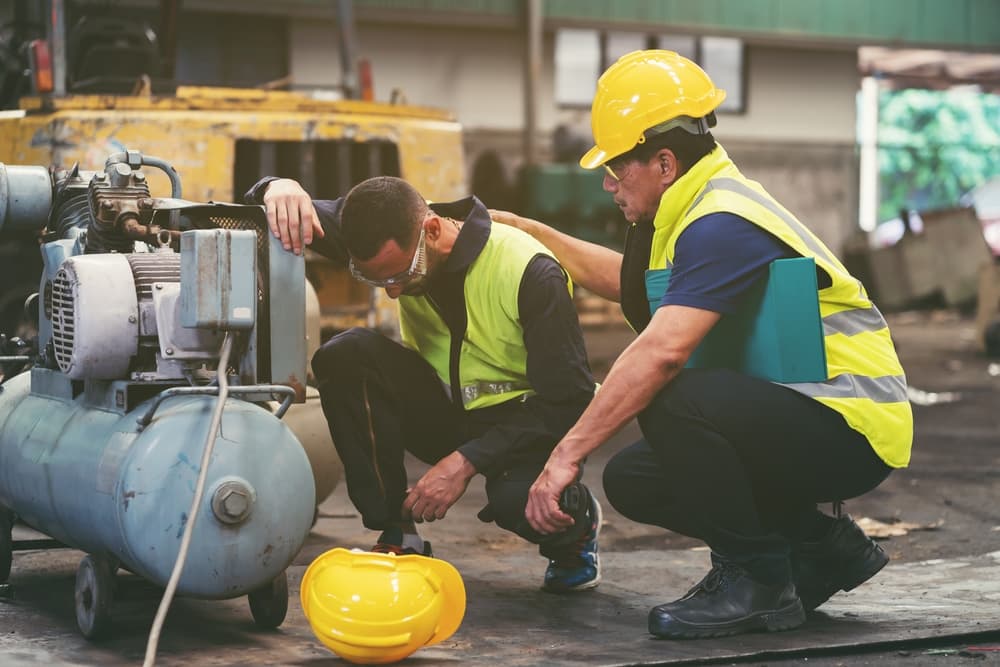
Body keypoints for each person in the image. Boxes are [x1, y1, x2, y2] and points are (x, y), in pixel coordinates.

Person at [491, 50, 913, 638]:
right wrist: (535, 235)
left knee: (668, 392)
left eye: (617, 168)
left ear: (664, 161)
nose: (608, 183)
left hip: (851, 422)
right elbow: (632, 286)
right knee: (637, 477)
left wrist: (564, 454)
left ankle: (758, 579)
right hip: (800, 411)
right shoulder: (692, 208)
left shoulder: (721, 220)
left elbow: (661, 352)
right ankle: (820, 549)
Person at [244, 175, 603, 593]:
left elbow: (569, 401)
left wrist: (463, 462)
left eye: (401, 275)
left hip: (524, 425)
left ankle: (576, 533)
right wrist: (275, 187)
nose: (393, 292)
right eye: (376, 282)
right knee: (346, 354)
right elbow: (277, 210)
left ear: (432, 231)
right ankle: (397, 532)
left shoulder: (530, 272)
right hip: (447, 408)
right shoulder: (384, 227)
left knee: (519, 503)